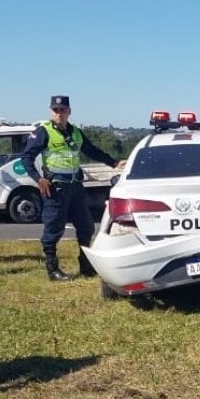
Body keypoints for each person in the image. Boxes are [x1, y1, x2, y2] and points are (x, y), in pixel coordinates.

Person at [21, 95, 126, 281]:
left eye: (62, 110)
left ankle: (85, 265)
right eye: (56, 110)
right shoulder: (43, 131)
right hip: (55, 187)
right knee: (53, 228)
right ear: (51, 111)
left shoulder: (75, 132)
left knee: (86, 226)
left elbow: (91, 150)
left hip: (75, 186)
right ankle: (52, 269)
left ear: (69, 111)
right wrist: (39, 179)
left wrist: (114, 162)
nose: (59, 113)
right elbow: (26, 158)